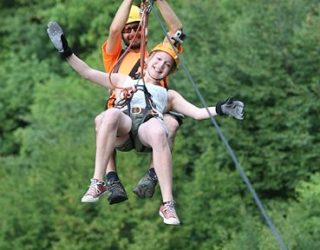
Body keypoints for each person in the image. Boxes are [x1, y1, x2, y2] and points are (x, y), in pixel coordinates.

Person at [47, 21, 244, 225]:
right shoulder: (125, 81)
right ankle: (98, 182)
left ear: (169, 72)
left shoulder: (169, 95)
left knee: (160, 130)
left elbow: (197, 113)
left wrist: (221, 109)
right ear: (148, 59)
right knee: (111, 114)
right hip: (123, 128)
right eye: (158, 60)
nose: (161, 66)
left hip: (145, 133)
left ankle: (167, 204)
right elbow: (88, 73)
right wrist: (66, 51)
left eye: (167, 65)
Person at [99, 0, 186, 204]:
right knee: (105, 118)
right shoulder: (115, 58)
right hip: (124, 119)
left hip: (151, 119)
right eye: (127, 30)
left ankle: (152, 175)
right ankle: (111, 179)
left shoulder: (157, 56)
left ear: (144, 27)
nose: (132, 33)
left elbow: (176, 29)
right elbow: (114, 29)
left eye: (135, 28)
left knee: (172, 123)